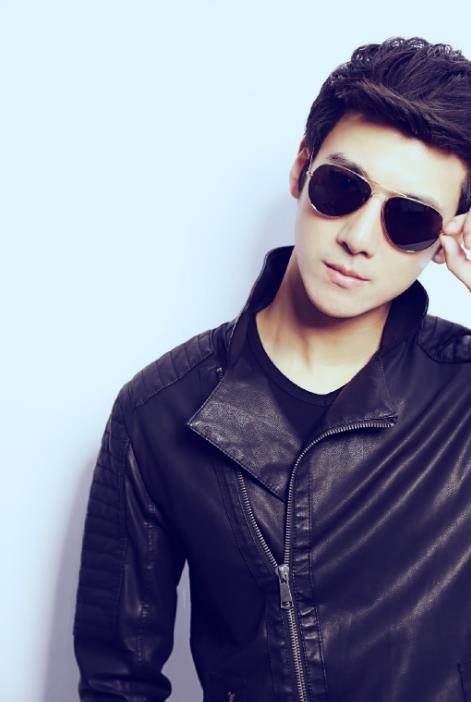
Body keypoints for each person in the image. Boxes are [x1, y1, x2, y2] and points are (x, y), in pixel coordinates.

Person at [72, 36, 471, 702]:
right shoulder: (160, 412)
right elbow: (118, 681)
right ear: (300, 170)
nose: (358, 238)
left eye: (408, 219)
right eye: (342, 188)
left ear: (445, 240)